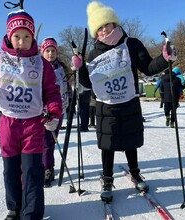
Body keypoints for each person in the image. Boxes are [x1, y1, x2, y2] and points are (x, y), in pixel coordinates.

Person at [0, 9, 62, 220]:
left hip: (33, 123)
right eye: (17, 36)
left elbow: (52, 92)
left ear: (33, 37)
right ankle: (14, 208)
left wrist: (53, 113)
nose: (21, 41)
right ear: (9, 36)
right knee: (10, 170)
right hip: (8, 122)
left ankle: (32, 213)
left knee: (32, 171)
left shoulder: (41, 63)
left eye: (27, 36)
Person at [72, 1, 176, 202]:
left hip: (128, 101)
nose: (104, 30)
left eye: (106, 25)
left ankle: (135, 173)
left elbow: (148, 67)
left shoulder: (132, 43)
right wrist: (80, 69)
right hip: (106, 104)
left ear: (114, 23)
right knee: (107, 143)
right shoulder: (94, 53)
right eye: (99, 28)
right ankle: (108, 177)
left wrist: (164, 59)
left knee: (131, 139)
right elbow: (89, 82)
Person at [40, 37, 70, 187]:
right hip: (42, 111)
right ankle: (44, 166)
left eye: (53, 51)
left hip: (59, 109)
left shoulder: (62, 67)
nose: (50, 54)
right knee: (42, 141)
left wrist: (71, 101)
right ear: (42, 52)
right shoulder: (38, 67)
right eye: (47, 51)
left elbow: (67, 86)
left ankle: (48, 167)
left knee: (51, 140)